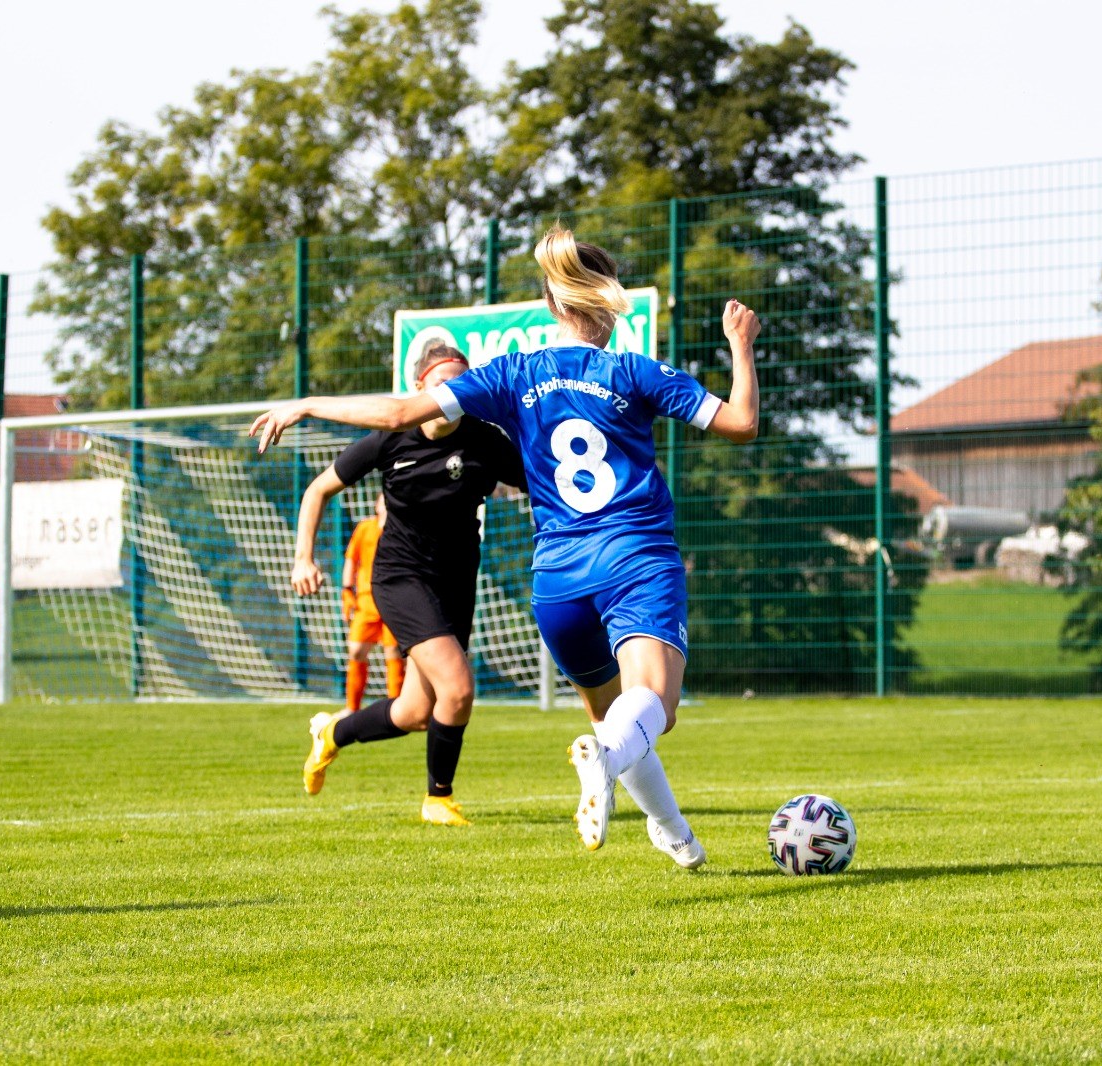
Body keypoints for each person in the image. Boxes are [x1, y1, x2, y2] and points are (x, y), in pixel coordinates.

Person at [249, 227, 760, 868]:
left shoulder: (515, 373)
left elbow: (398, 413)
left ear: (552, 306)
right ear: (608, 305)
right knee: (654, 706)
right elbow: (741, 423)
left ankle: (674, 833)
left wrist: (306, 403)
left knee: (616, 719)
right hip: (633, 557)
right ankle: (604, 764)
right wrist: (741, 346)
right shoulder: (636, 371)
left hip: (558, 582)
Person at [282, 344, 526, 827]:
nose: (452, 392)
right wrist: (303, 558)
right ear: (420, 388)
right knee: (457, 689)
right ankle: (438, 798)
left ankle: (332, 733)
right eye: (442, 383)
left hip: (456, 583)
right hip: (401, 577)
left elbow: (545, 485)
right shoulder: (390, 439)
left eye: (461, 383)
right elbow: (318, 490)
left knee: (416, 711)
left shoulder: (486, 440)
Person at [341, 493, 407, 711]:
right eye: (382, 501)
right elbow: (351, 559)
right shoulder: (365, 528)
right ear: (377, 505)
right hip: (367, 601)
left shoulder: (401, 531)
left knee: (394, 652)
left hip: (394, 601)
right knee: (356, 650)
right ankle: (352, 708)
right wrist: (347, 590)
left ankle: (397, 709)